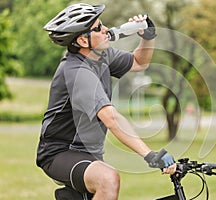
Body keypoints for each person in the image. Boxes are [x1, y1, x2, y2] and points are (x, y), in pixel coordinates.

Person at [36, 3, 176, 200]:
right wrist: (149, 154)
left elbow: (139, 62)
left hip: (88, 153)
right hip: (60, 153)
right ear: (83, 40)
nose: (106, 30)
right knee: (108, 179)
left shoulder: (101, 55)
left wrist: (148, 37)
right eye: (98, 28)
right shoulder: (77, 72)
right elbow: (111, 118)